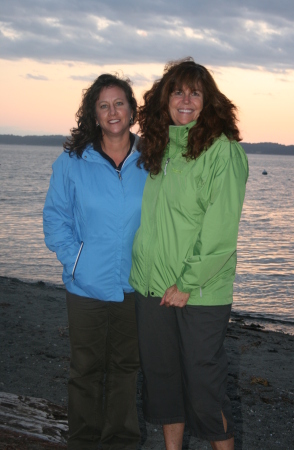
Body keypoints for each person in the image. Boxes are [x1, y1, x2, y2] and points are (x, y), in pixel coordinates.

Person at [129, 58, 249, 450]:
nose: (185, 100)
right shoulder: (156, 149)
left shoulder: (222, 152)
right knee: (162, 382)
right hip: (152, 288)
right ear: (164, 100)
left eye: (194, 93)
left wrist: (187, 283)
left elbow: (220, 232)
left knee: (204, 386)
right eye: (177, 91)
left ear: (208, 100)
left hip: (198, 293)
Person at [43, 74, 148, 450]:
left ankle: (121, 440)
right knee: (86, 370)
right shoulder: (73, 161)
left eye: (119, 103)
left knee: (125, 368)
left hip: (135, 285)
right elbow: (56, 219)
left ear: (132, 109)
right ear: (94, 113)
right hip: (85, 285)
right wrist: (77, 263)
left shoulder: (151, 158)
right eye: (103, 105)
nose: (112, 111)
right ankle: (84, 441)